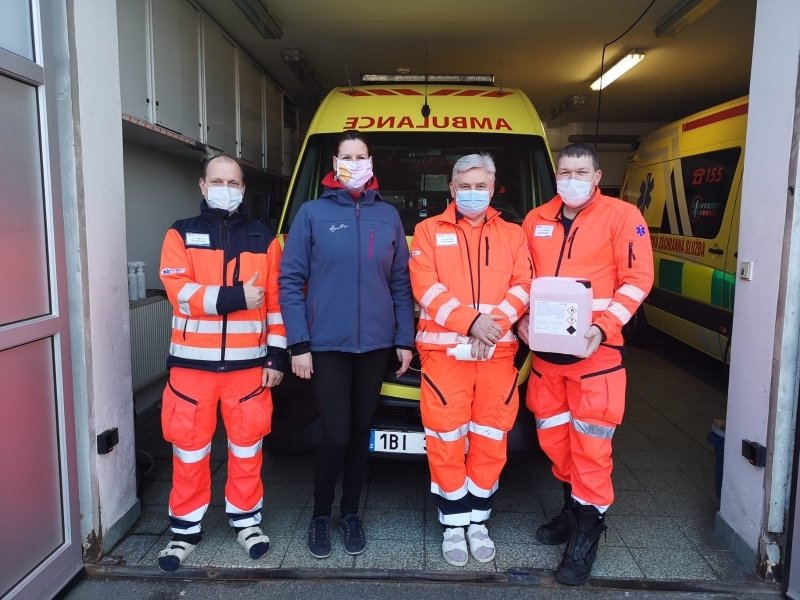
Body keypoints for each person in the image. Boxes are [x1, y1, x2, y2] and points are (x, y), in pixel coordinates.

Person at [518, 143, 654, 585]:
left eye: (580, 171)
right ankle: (571, 510)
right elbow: (521, 280)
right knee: (556, 442)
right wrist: (521, 319)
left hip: (597, 354)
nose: (571, 178)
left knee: (591, 447)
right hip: (546, 358)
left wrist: (605, 325)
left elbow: (638, 279)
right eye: (564, 171)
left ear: (597, 176)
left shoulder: (622, 217)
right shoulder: (535, 219)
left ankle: (586, 534)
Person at [279, 130, 415, 559]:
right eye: (346, 156)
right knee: (334, 436)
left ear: (371, 162)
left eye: (361, 156)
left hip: (375, 346)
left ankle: (351, 514)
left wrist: (404, 339)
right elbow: (290, 280)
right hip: (327, 346)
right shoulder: (311, 213)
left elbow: (400, 282)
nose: (354, 163)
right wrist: (298, 344)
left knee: (360, 432)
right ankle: (320, 516)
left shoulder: (388, 216)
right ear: (334, 163)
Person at [156, 154, 287, 572]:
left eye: (233, 182)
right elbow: (179, 292)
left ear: (243, 188)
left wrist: (278, 355)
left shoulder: (265, 239)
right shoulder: (180, 234)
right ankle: (184, 530)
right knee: (189, 451)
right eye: (218, 181)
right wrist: (232, 298)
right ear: (202, 184)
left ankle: (246, 521)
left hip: (249, 369)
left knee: (247, 449)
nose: (225, 188)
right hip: (192, 370)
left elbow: (276, 305)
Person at [409, 153, 532, 566]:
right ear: (452, 188)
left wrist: (490, 326)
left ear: (494, 187)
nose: (473, 192)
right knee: (445, 439)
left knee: (491, 437)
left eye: (482, 185)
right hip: (445, 355)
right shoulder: (428, 231)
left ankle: (478, 519)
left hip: (496, 353)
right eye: (466, 185)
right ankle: (453, 523)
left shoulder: (513, 234)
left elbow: (523, 285)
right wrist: (470, 323)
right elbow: (424, 287)